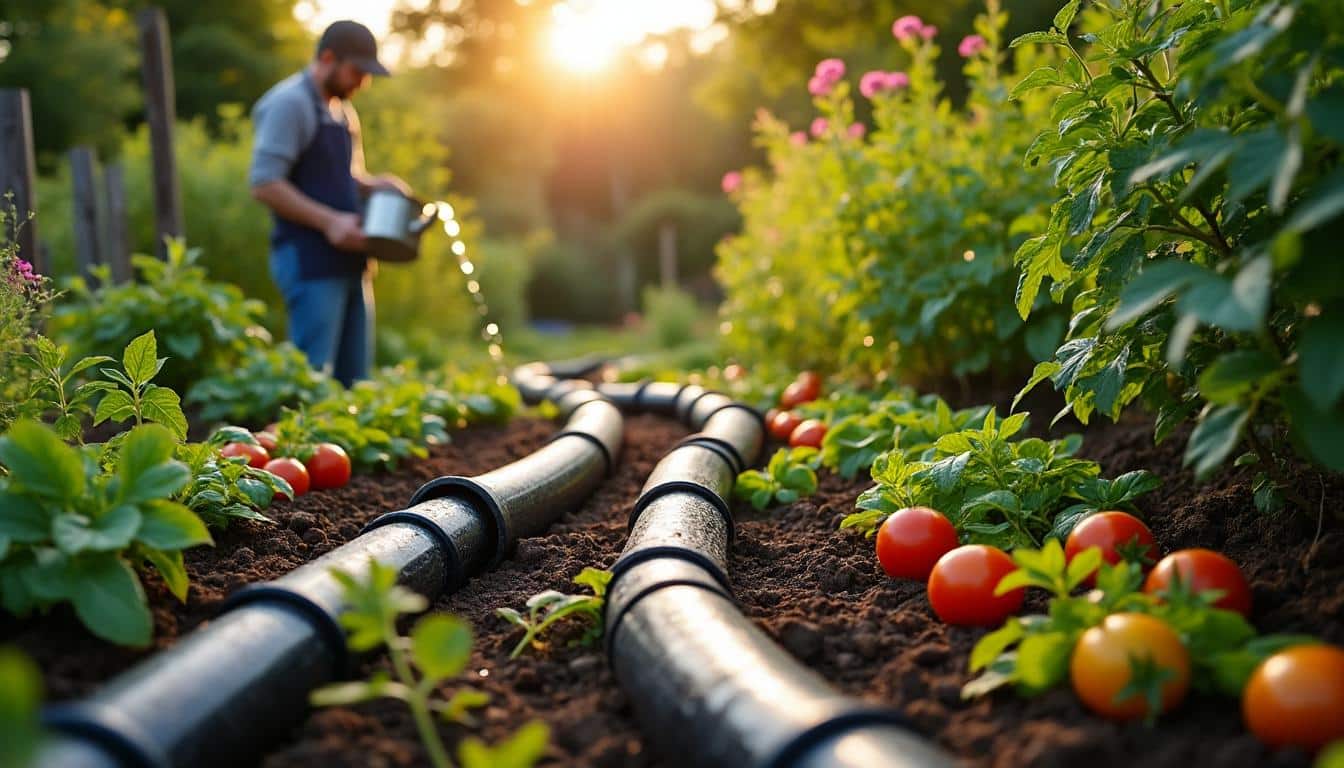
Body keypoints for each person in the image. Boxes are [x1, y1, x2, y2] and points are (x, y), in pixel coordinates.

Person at [248, 20, 410, 386]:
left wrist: (375, 185)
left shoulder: (342, 112)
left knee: (355, 383)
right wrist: (329, 222)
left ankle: (339, 446)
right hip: (309, 262)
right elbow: (264, 182)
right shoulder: (290, 104)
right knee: (312, 381)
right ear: (327, 57)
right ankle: (300, 444)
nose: (362, 82)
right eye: (357, 70)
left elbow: (345, 177)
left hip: (351, 261)